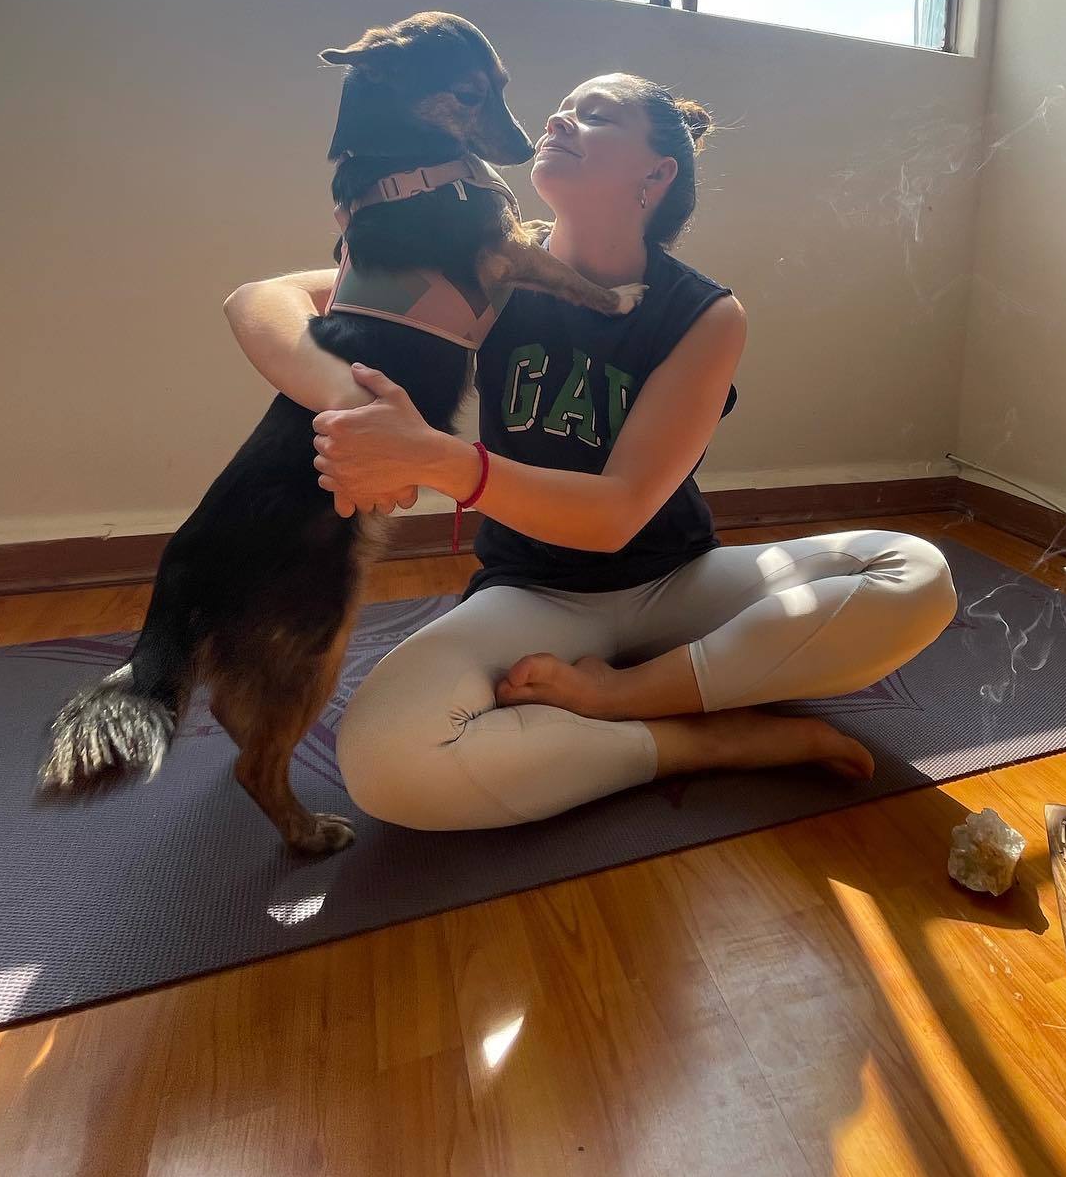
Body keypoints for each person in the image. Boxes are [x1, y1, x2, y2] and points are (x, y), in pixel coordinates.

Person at [223, 73, 958, 831]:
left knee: (916, 574)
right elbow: (261, 299)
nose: (559, 120)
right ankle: (702, 741)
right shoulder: (487, 269)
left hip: (676, 582)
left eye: (596, 115)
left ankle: (620, 697)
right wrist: (355, 412)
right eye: (563, 110)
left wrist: (432, 458)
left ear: (655, 174)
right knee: (383, 760)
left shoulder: (704, 314)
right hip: (534, 595)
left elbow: (615, 516)